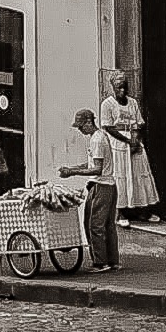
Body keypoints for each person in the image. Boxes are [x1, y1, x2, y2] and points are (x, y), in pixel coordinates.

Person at [60, 108, 121, 272]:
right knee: (108, 225)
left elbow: (97, 169)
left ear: (88, 122)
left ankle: (100, 262)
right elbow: (91, 164)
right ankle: (112, 260)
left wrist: (72, 172)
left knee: (94, 225)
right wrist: (71, 168)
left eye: (80, 126)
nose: (79, 130)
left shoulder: (97, 140)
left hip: (101, 185)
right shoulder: (100, 136)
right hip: (108, 185)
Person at [100, 70, 161, 229]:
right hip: (118, 143)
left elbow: (138, 123)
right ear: (113, 86)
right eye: (119, 87)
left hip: (134, 142)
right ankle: (120, 212)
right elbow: (108, 127)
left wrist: (135, 140)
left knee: (139, 175)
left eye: (124, 87)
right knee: (120, 176)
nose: (122, 90)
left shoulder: (132, 102)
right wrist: (127, 140)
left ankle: (142, 209)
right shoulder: (107, 104)